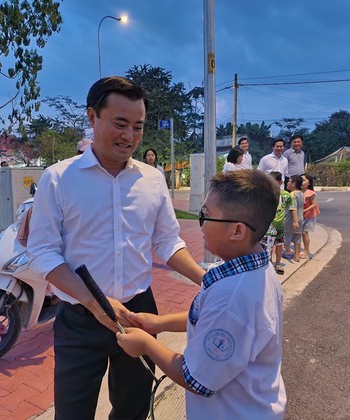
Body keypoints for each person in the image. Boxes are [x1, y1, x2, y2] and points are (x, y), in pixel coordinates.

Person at [26, 76, 205, 420]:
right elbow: (43, 253)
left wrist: (205, 278)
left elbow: (167, 241)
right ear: (92, 118)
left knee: (133, 410)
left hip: (139, 313)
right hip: (80, 317)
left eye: (138, 127)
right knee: (73, 413)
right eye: (120, 124)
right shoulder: (59, 178)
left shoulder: (152, 179)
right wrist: (95, 302)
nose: (130, 136)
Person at [116, 170, 286, 419]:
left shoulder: (234, 298)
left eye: (205, 216)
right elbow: (206, 318)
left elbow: (195, 379)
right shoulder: (251, 267)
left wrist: (146, 344)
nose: (202, 224)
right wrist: (158, 323)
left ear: (237, 231)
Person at [264, 171, 293, 275]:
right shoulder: (266, 195)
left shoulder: (286, 195)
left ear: (281, 182)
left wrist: (294, 220)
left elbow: (291, 207)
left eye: (274, 182)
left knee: (279, 244)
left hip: (280, 226)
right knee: (269, 245)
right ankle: (269, 262)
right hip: (269, 225)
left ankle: (278, 263)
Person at [283, 175, 304, 262]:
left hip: (291, 220)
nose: (287, 183)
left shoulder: (292, 194)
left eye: (289, 181)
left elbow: (293, 208)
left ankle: (287, 252)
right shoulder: (301, 193)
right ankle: (297, 256)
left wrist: (294, 221)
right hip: (300, 218)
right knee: (297, 238)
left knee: (286, 237)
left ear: (294, 184)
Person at [300, 174, 320, 259]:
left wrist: (304, 210)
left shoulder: (310, 193)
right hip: (303, 215)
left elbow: (314, 204)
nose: (302, 182)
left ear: (309, 183)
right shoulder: (299, 192)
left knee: (305, 232)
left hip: (310, 215)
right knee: (302, 233)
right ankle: (305, 250)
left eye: (304, 180)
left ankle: (306, 251)